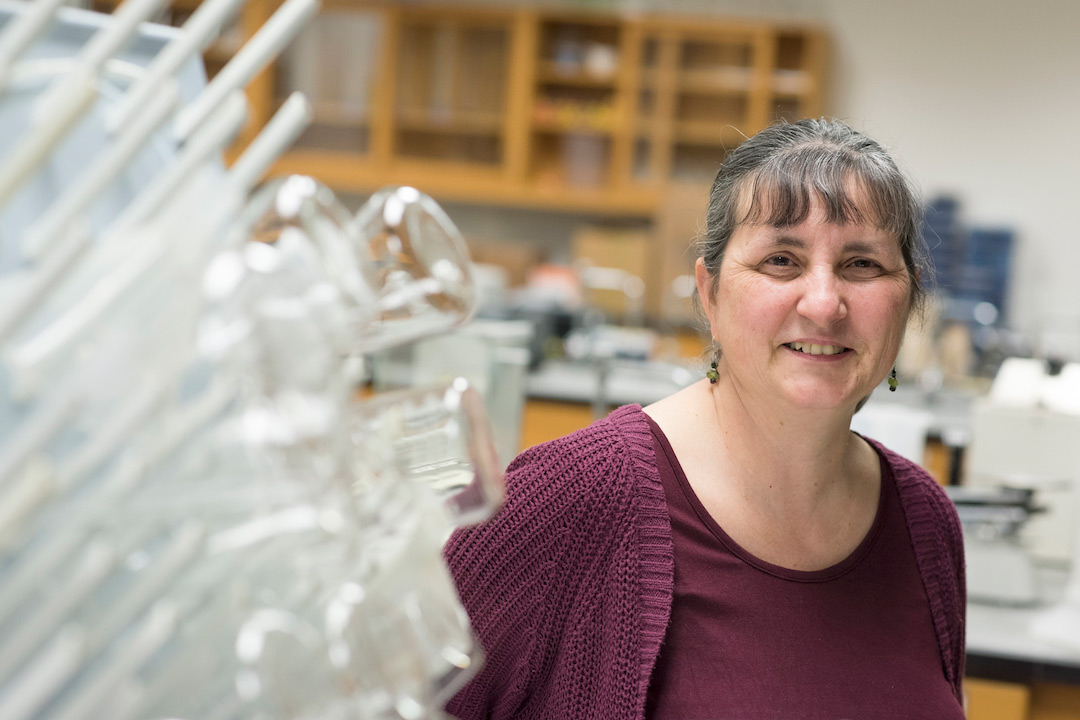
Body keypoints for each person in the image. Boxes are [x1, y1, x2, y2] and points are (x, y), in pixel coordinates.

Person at [442, 118, 966, 720]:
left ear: (908, 302)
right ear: (710, 295)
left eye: (862, 265)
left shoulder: (926, 522)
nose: (824, 302)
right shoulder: (566, 499)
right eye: (781, 260)